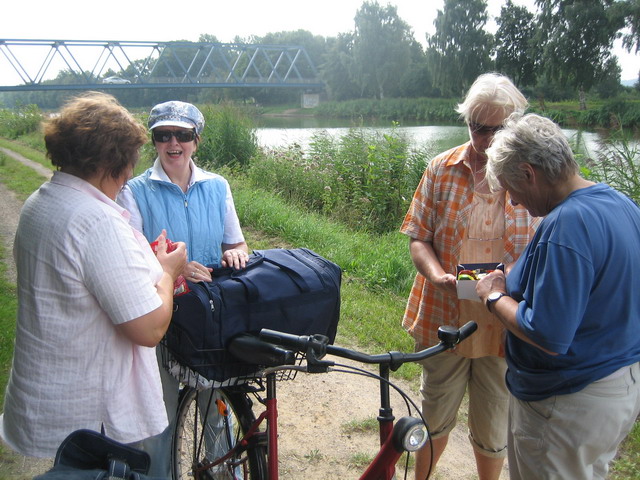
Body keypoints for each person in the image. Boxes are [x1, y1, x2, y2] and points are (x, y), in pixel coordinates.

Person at [0, 92, 187, 475]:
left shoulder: (44, 201)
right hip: (91, 414)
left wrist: (140, 263)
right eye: (131, 158)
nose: (132, 170)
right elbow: (149, 327)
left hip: (48, 392)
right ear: (114, 161)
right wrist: (167, 272)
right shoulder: (97, 222)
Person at [477, 113, 640, 480]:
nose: (514, 203)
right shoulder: (622, 205)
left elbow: (548, 335)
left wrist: (493, 296)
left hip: (567, 402)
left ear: (529, 174)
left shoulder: (566, 224)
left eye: (510, 189)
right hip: (618, 387)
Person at [400, 73, 540, 480]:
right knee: (434, 415)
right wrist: (438, 273)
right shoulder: (441, 168)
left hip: (504, 322)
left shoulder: (531, 175)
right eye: (477, 126)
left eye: (496, 129)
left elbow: (540, 247)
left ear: (513, 125)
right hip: (444, 313)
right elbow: (418, 238)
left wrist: (509, 276)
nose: (484, 138)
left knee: (494, 422)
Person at [117, 100, 249, 477]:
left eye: (183, 135)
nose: (173, 143)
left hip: (208, 317)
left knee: (217, 404)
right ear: (154, 141)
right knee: (161, 413)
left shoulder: (216, 186)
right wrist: (174, 271)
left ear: (197, 140)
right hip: (161, 318)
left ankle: (225, 474)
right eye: (163, 135)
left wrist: (237, 255)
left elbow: (235, 243)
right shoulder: (135, 191)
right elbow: (131, 259)